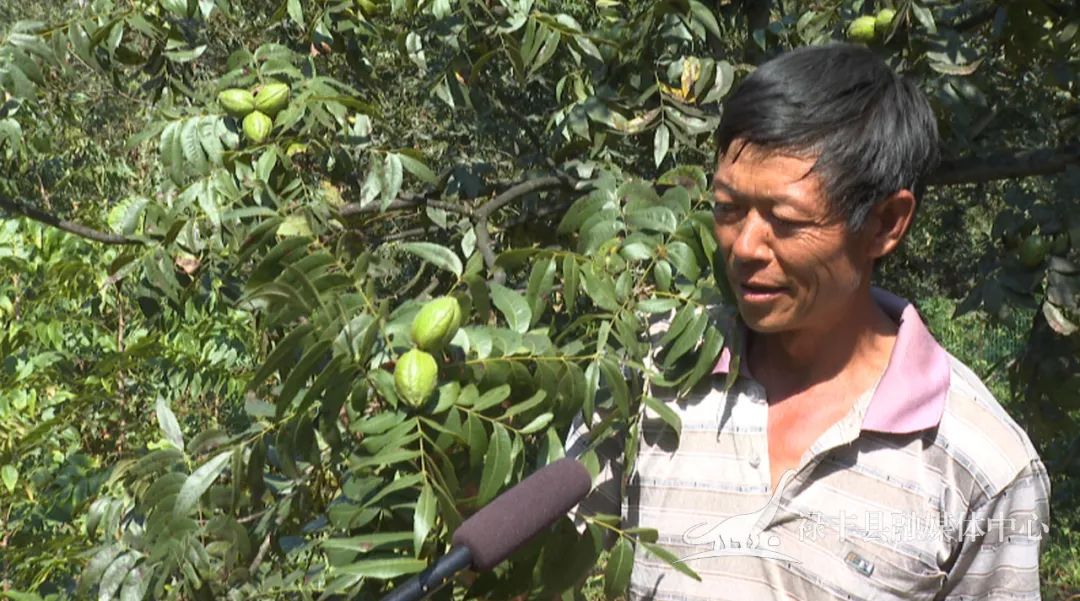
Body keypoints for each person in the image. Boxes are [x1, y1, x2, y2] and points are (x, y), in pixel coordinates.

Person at [566, 43, 1051, 600]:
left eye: (786, 219)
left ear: (885, 225)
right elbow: (544, 555)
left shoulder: (976, 462)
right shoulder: (654, 372)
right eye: (728, 209)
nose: (744, 246)